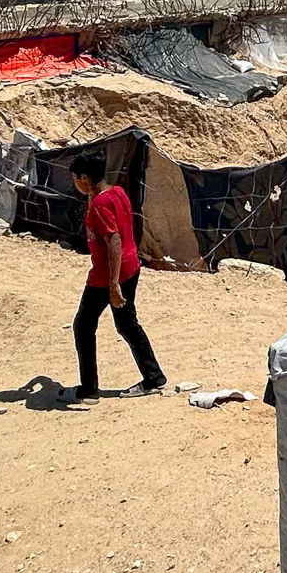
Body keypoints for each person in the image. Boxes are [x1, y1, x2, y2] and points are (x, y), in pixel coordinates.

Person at [68, 151, 166, 401]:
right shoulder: (116, 193)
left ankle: (89, 389)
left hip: (107, 276)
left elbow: (113, 240)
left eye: (76, 179)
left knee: (83, 326)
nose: (75, 184)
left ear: (85, 178)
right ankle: (154, 377)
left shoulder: (100, 204)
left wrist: (112, 285)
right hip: (130, 266)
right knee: (127, 324)